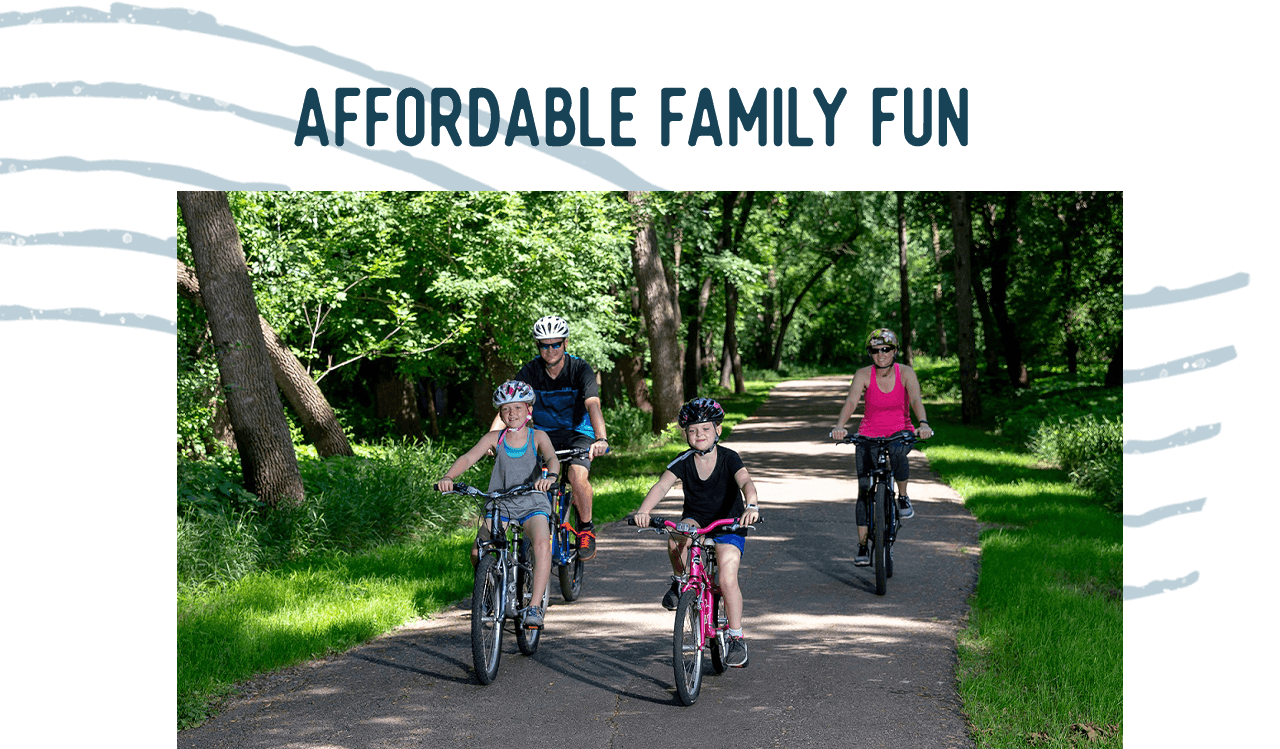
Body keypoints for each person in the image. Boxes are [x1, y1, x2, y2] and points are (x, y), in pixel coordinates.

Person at [633, 397, 760, 668]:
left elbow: (746, 481)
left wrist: (751, 506)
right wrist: (644, 510)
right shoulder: (684, 460)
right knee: (676, 538)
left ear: (718, 430)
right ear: (685, 434)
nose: (699, 435)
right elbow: (661, 486)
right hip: (697, 519)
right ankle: (681, 580)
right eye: (692, 430)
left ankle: (736, 637)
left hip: (729, 523)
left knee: (726, 579)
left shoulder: (729, 458)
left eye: (705, 429)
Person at [439, 380, 560, 629]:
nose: (511, 413)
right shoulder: (495, 438)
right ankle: (495, 590)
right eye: (505, 409)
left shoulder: (537, 436)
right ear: (500, 413)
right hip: (500, 504)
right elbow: (469, 457)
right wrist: (449, 477)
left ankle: (535, 606)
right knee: (477, 551)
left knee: (541, 544)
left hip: (532, 502)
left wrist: (550, 478)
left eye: (517, 407)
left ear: (529, 410)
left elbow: (552, 459)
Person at [494, 315, 609, 561]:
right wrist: (493, 441)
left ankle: (586, 528)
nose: (550, 350)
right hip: (544, 435)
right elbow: (508, 406)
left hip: (579, 433)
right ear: (538, 346)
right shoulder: (529, 371)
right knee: (527, 477)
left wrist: (601, 439)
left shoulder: (580, 369)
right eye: (544, 345)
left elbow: (593, 405)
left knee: (576, 475)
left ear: (565, 343)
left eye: (556, 344)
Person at [830, 328, 934, 567]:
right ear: (870, 354)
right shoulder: (863, 374)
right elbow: (852, 400)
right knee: (864, 489)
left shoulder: (906, 373)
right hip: (869, 433)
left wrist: (923, 424)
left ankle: (904, 497)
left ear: (895, 351)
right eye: (875, 351)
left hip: (900, 430)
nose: (881, 354)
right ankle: (863, 545)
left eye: (886, 349)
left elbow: (916, 399)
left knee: (898, 453)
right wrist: (839, 426)